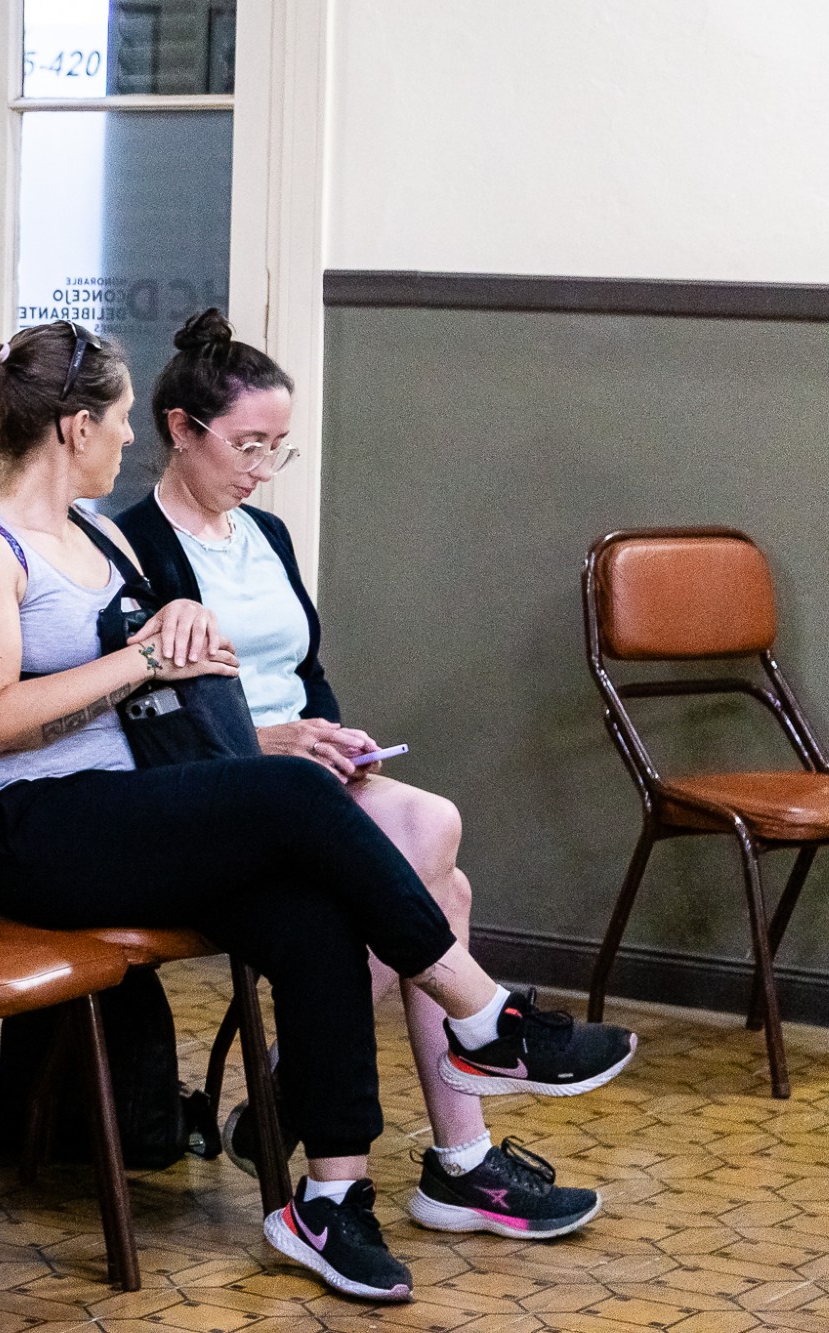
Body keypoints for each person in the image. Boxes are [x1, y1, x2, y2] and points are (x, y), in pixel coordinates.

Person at [0, 319, 636, 1302]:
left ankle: (330, 1198)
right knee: (294, 789)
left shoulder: (96, 537)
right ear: (74, 427)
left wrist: (177, 620)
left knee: (314, 916)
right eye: (119, 420)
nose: (127, 437)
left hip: (119, 807)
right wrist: (142, 656)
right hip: (21, 829)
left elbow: (148, 659)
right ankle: (483, 1013)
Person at [114, 308, 599, 1241]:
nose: (263, 467)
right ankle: (450, 1155)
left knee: (442, 870)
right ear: (181, 429)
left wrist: (337, 736)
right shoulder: (132, 544)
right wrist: (272, 742)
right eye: (248, 445)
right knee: (439, 853)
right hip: (222, 786)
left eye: (278, 447)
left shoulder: (265, 534)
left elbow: (306, 672)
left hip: (300, 772)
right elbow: (153, 719)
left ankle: (333, 1105)